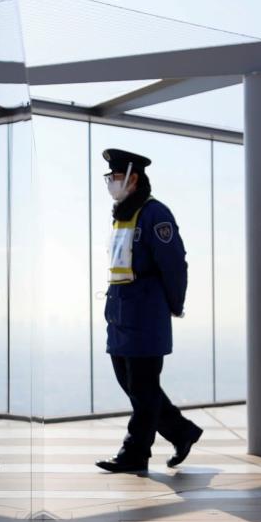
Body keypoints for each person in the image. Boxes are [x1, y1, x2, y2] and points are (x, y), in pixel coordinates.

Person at [95, 148, 204, 473]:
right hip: (120, 316)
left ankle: (135, 453)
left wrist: (175, 303)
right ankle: (182, 431)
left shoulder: (156, 214)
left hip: (145, 315)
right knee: (133, 384)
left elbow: (174, 264)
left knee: (143, 388)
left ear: (133, 177)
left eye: (115, 177)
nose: (111, 183)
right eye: (110, 177)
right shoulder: (123, 215)